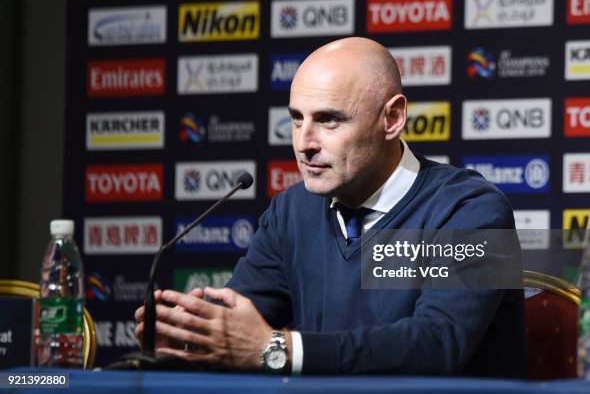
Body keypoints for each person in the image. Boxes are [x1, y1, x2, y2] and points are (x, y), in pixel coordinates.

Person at [134, 37, 526, 376]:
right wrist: (192, 334)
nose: (304, 143)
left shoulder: (473, 210)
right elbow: (238, 333)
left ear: (391, 118)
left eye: (329, 120)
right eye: (296, 119)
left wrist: (279, 350)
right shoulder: (291, 212)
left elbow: (436, 345)